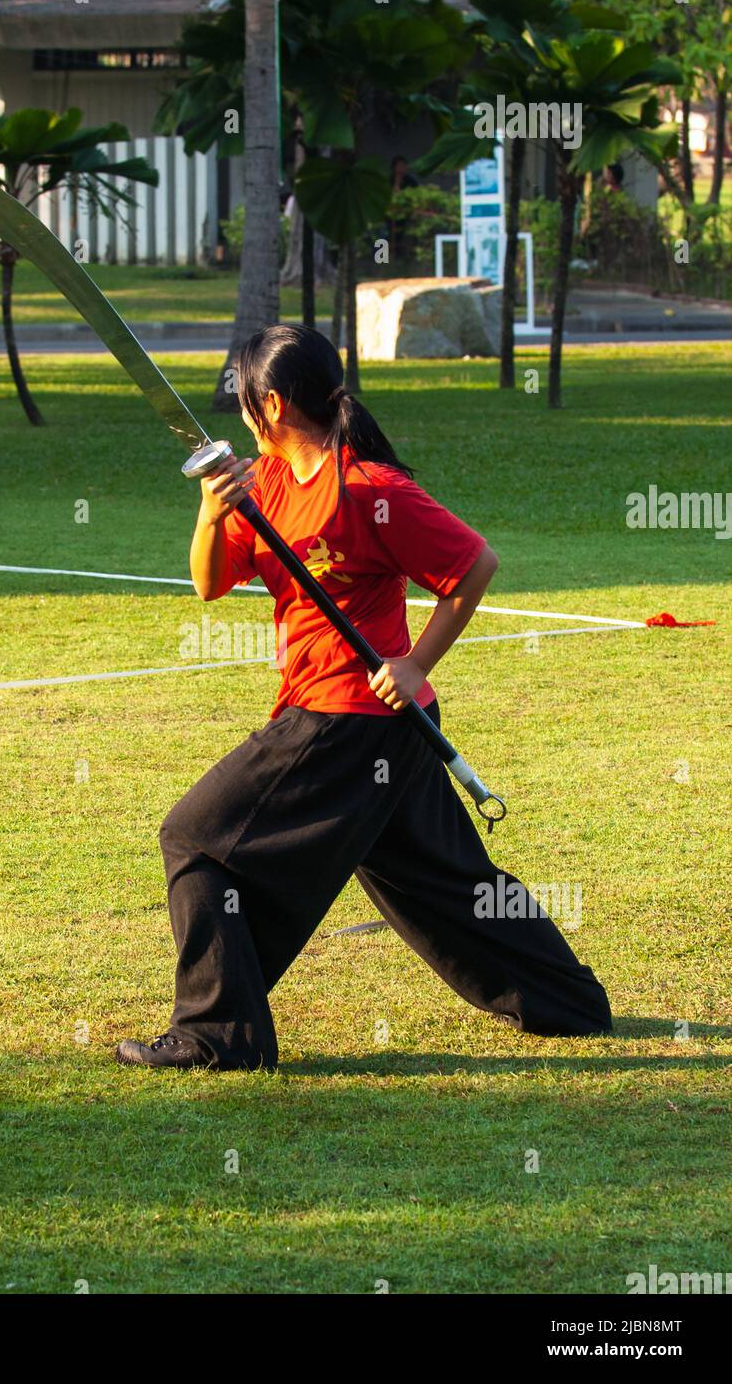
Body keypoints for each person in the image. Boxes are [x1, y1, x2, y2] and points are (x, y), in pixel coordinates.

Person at [116, 325, 612, 1071]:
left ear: (273, 404)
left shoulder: (370, 490)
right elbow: (209, 583)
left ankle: (218, 1036)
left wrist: (415, 663)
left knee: (192, 836)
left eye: (245, 397)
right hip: (371, 732)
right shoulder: (269, 484)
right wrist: (215, 509)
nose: (241, 411)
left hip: (350, 720)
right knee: (445, 885)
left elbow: (475, 564)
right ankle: (569, 1003)